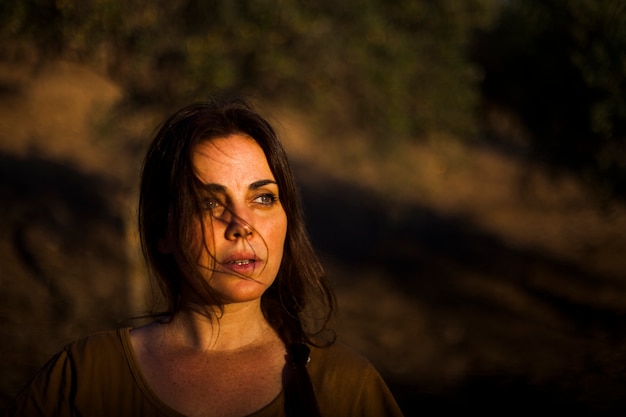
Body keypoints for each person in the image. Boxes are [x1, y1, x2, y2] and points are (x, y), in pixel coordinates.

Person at [2, 96, 404, 417]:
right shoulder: (87, 376)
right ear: (163, 231)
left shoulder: (345, 388)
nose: (241, 223)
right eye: (209, 203)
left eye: (263, 198)